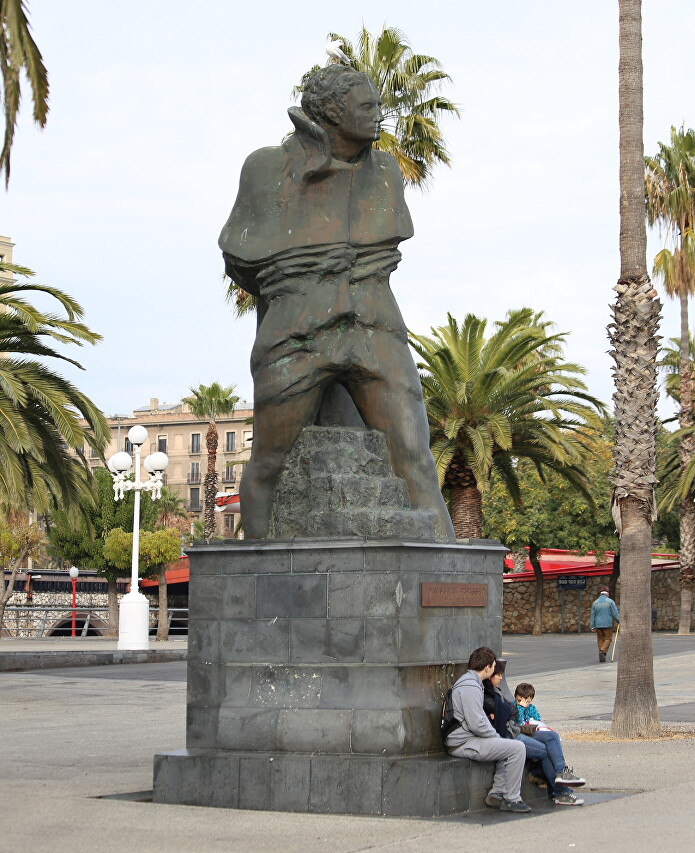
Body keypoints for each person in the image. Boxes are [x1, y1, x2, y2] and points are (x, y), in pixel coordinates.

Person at [219, 64, 455, 541]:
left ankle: (448, 572)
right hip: (297, 327)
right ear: (331, 111)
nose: (378, 115)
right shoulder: (266, 167)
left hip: (374, 323)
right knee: (269, 460)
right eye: (367, 107)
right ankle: (259, 568)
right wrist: (299, 276)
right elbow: (240, 257)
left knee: (414, 455)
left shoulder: (385, 172)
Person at [445, 647, 532, 813]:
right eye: (493, 667)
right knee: (517, 748)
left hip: (466, 739)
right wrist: (496, 737)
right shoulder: (470, 686)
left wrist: (497, 739)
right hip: (463, 743)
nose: (494, 670)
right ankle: (512, 799)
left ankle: (498, 792)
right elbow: (476, 723)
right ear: (487, 668)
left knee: (505, 745)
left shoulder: (471, 682)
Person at [513, 682, 586, 806]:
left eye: (527, 701)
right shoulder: (513, 706)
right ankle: (560, 777)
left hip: (532, 732)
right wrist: (521, 707)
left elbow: (537, 719)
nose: (524, 702)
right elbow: (517, 720)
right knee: (551, 739)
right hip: (522, 733)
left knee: (553, 737)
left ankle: (560, 779)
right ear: (515, 697)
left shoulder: (532, 708)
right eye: (520, 699)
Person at [590, 586, 620, 662]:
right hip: (607, 624)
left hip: (598, 624)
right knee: (608, 638)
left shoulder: (595, 603)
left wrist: (592, 626)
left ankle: (601, 653)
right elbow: (615, 614)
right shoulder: (610, 602)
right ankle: (602, 651)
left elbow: (592, 615)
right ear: (607, 594)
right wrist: (619, 621)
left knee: (600, 639)